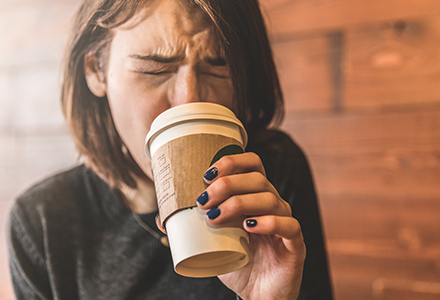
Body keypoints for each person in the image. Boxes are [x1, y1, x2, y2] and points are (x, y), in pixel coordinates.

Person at [7, 0, 333, 299]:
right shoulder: (44, 220)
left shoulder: (270, 176)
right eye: (155, 69)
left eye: (218, 67)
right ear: (96, 71)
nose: (189, 99)